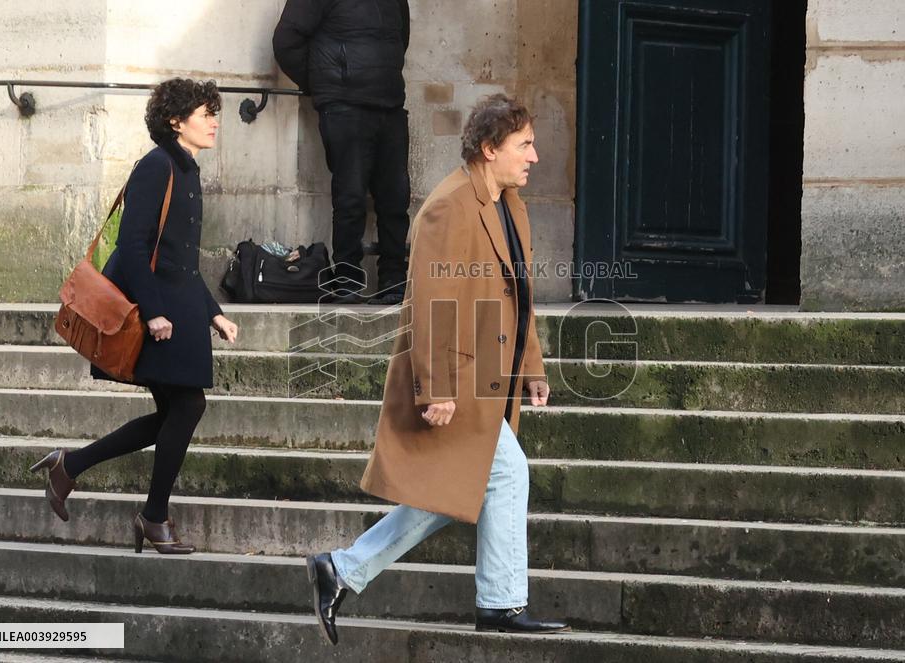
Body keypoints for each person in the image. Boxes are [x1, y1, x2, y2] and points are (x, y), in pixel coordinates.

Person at [305, 94, 569, 645]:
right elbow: (432, 303)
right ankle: (498, 603)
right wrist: (437, 389)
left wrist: (532, 367)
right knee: (505, 474)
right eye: (525, 145)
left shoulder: (508, 201)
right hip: (461, 377)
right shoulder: (450, 205)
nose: (535, 157)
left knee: (470, 485)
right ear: (491, 148)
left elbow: (518, 295)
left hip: (492, 372)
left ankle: (343, 569)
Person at [30, 78, 239, 555]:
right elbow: (131, 247)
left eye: (214, 113)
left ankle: (73, 466)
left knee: (175, 411)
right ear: (175, 121)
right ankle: (153, 516)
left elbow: (181, 259)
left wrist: (214, 313)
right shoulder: (157, 166)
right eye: (205, 113)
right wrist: (154, 314)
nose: (214, 122)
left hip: (181, 311)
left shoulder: (188, 170)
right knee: (187, 408)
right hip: (160, 316)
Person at [273, 0, 411, 305]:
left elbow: (400, 40)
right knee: (350, 197)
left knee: (395, 198)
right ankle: (346, 277)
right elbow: (286, 40)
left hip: (389, 103)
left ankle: (393, 278)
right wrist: (324, 83)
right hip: (344, 105)